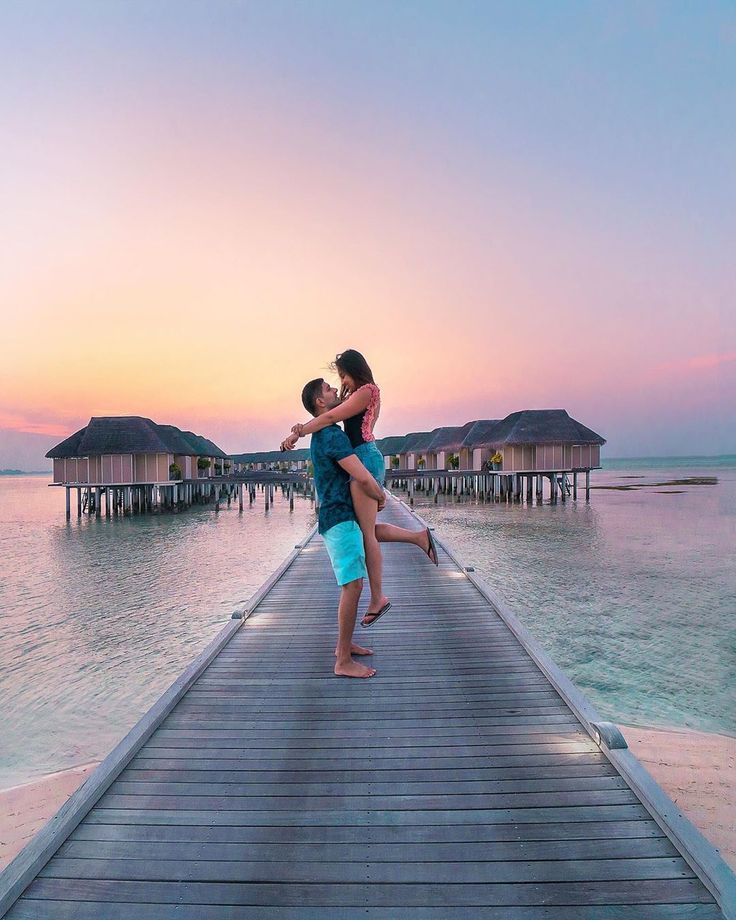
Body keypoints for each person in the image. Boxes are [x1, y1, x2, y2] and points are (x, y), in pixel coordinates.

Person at [282, 350, 438, 627]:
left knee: (366, 533)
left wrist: (300, 432)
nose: (340, 381)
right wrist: (299, 428)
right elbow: (329, 410)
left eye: (342, 375)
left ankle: (378, 598)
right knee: (363, 530)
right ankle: (419, 538)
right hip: (363, 456)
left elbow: (329, 418)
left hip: (364, 458)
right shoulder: (356, 395)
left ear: (354, 370)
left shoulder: (366, 391)